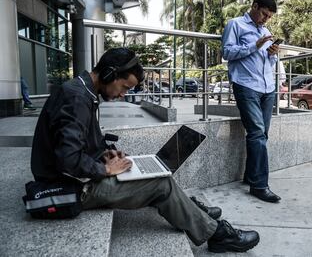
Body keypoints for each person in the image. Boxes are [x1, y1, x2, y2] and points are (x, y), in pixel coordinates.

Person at [30, 47, 260, 253]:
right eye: (125, 87)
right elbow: (68, 160)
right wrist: (106, 170)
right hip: (71, 187)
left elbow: (83, 141)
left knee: (154, 172)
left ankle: (190, 210)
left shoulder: (83, 92)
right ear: (110, 74)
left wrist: (106, 153)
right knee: (161, 183)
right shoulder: (77, 98)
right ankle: (216, 235)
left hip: (76, 178)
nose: (124, 94)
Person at [222, 0, 282, 203]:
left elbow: (266, 62)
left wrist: (272, 54)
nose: (266, 19)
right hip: (246, 85)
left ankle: (251, 176)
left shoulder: (266, 32)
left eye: (269, 17)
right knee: (257, 133)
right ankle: (259, 185)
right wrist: (254, 46)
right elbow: (227, 53)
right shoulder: (235, 25)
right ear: (255, 6)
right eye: (264, 14)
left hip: (267, 88)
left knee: (261, 134)